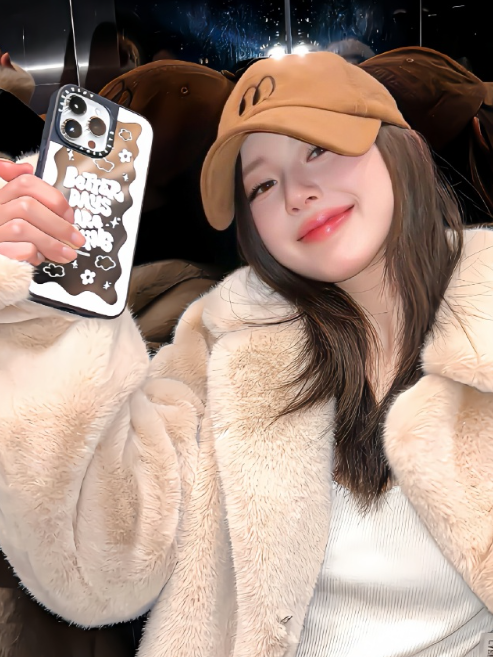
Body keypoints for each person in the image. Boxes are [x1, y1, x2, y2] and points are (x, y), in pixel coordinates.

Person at [0, 52, 492, 657]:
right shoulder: (220, 346)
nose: (296, 194)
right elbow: (102, 571)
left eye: (318, 148)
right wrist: (45, 319)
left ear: (405, 147)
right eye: (261, 184)